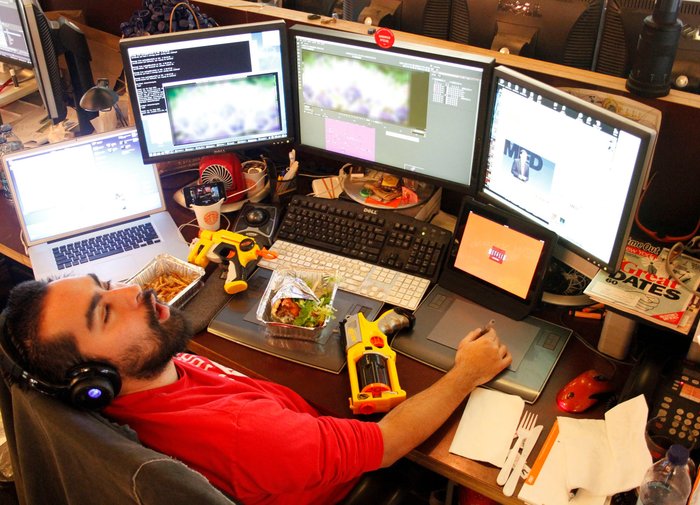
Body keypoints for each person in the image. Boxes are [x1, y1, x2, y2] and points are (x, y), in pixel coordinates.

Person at [2, 275, 511, 505]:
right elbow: (389, 444)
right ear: (94, 381)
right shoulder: (241, 433)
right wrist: (467, 371)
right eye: (105, 313)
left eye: (104, 284)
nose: (132, 291)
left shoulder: (146, 379)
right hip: (349, 478)